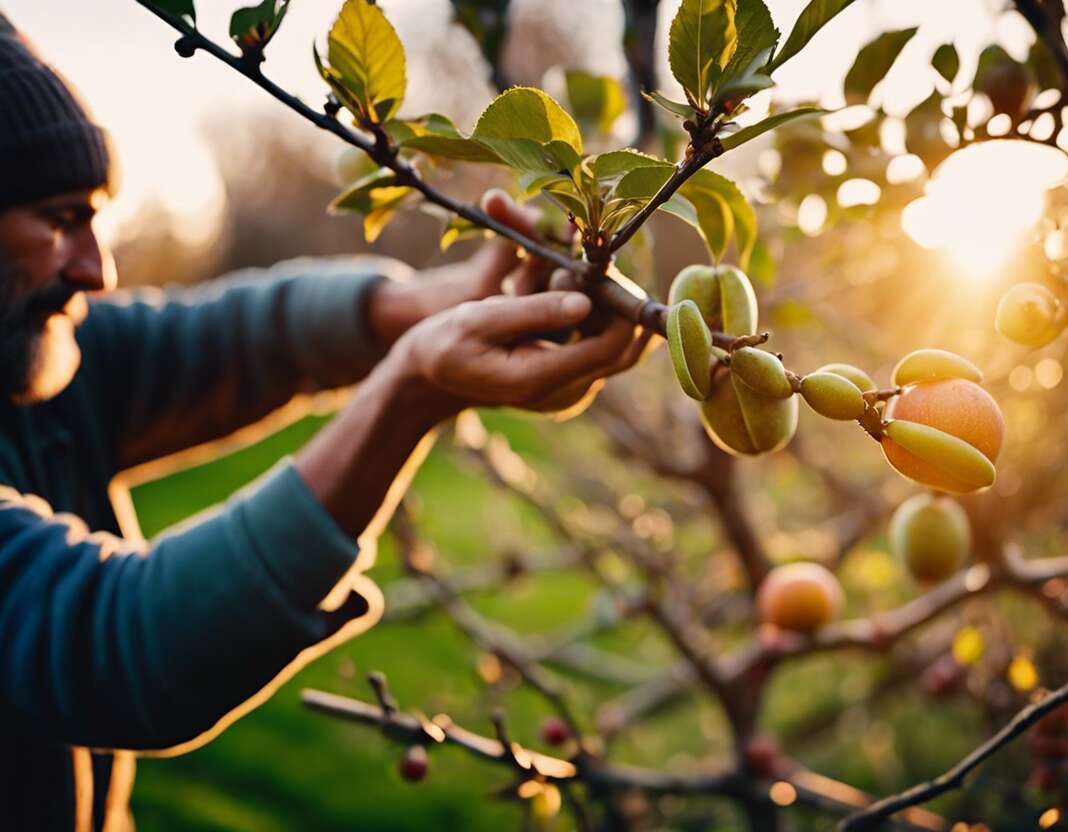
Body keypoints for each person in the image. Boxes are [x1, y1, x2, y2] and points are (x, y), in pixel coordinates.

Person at [0, 12, 649, 830]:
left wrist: (418, 308)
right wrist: (413, 390)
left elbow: (224, 340)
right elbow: (120, 646)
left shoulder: (26, 356)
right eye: (60, 221)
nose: (100, 270)